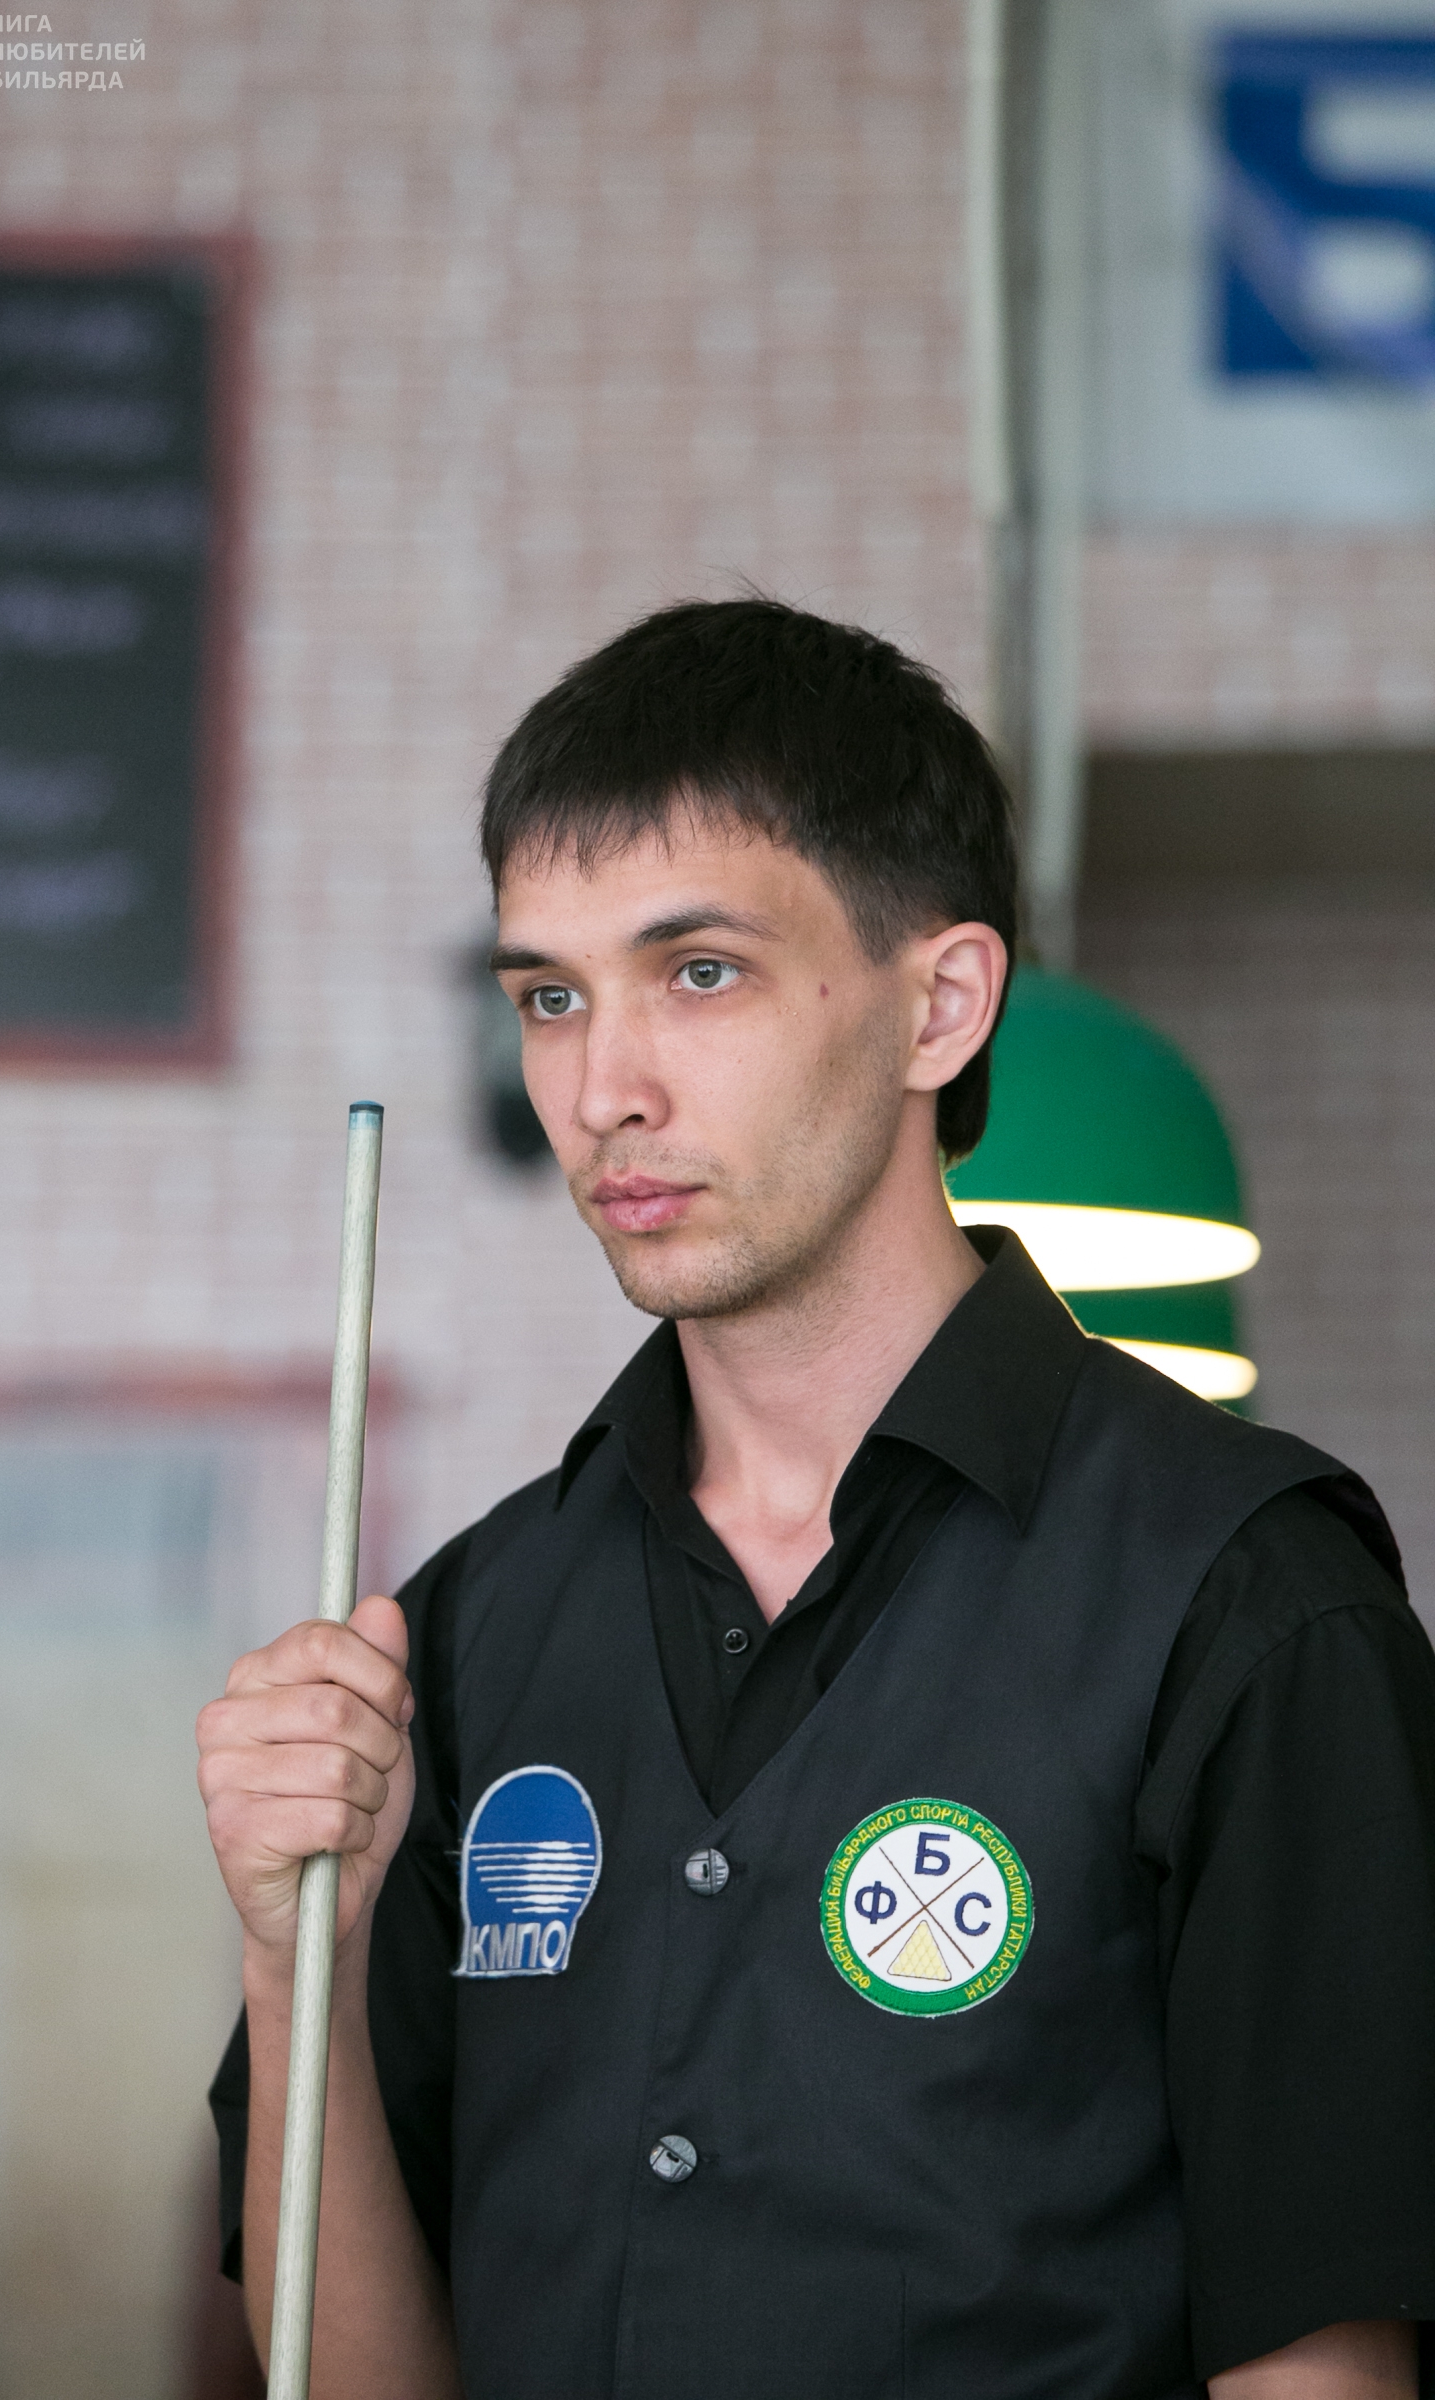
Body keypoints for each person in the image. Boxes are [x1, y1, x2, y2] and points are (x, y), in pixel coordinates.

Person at [197, 600, 1435, 2400]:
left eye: (700, 973)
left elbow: (1325, 2374)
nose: (602, 1092)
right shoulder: (464, 1631)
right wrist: (285, 1954)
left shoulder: (1248, 1602)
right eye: (551, 998)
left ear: (941, 1005)